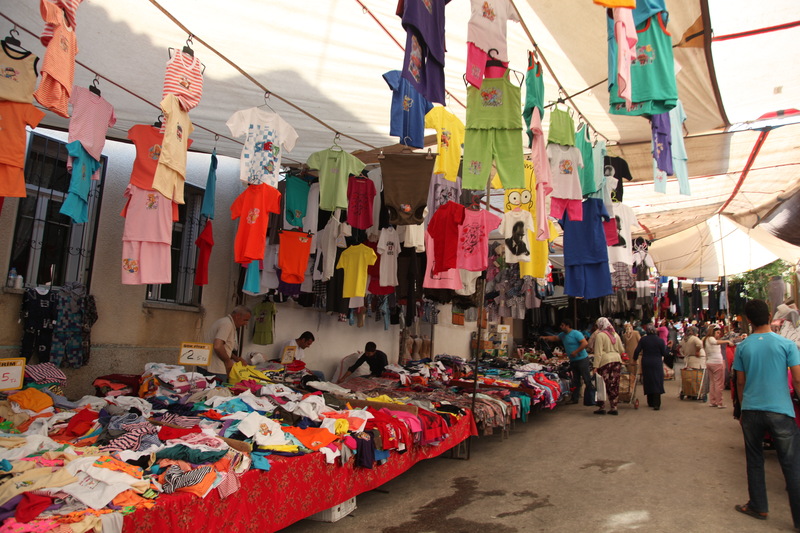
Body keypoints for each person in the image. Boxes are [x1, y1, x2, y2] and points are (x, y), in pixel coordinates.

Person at [732, 299, 800, 528]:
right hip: (781, 411)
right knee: (791, 464)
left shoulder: (743, 347)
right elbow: (797, 379)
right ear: (770, 316)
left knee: (754, 460)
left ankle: (758, 506)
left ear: (748, 320)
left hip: (752, 411)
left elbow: (740, 382)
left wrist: (742, 408)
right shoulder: (787, 345)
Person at [541, 319, 593, 405]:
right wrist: (545, 337)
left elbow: (585, 343)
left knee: (586, 379)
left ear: (567, 325)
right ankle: (574, 398)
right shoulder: (563, 335)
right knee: (576, 380)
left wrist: (575, 352)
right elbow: (555, 338)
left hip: (582, 359)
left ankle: (591, 398)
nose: (561, 327)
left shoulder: (576, 333)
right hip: (573, 360)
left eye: (562, 325)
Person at [203, 305, 252, 382]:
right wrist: (227, 361)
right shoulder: (227, 324)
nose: (246, 324)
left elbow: (223, 347)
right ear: (237, 316)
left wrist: (235, 358)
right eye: (245, 320)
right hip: (215, 369)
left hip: (208, 366)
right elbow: (217, 346)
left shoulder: (225, 322)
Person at [593, 317, 623, 415]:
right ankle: (614, 407)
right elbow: (621, 350)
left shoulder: (600, 335)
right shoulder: (615, 334)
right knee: (614, 384)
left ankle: (602, 407)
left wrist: (595, 366)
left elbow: (598, 353)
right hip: (617, 360)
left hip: (605, 362)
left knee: (602, 384)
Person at [633, 324, 667, 410]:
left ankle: (650, 401)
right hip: (656, 362)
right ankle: (657, 403)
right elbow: (664, 353)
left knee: (648, 380)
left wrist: (634, 359)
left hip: (646, 362)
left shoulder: (643, 340)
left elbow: (637, 350)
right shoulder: (660, 340)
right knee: (656, 380)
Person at [704, 325, 734, 408]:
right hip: (716, 362)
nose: (718, 335)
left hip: (709, 362)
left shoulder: (706, 339)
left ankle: (713, 401)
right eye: (717, 333)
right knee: (719, 384)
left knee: (712, 383)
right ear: (713, 332)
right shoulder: (711, 339)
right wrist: (727, 341)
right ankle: (719, 402)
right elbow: (715, 342)